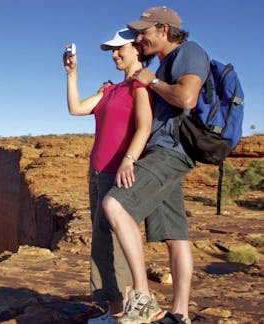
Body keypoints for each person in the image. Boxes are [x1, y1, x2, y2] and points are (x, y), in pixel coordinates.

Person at [102, 7, 210, 324]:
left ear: (163, 29)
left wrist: (152, 82)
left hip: (170, 151)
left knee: (115, 205)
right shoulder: (165, 63)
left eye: (144, 32)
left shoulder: (189, 52)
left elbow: (187, 98)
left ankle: (142, 296)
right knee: (175, 236)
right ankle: (180, 315)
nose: (139, 37)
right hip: (166, 151)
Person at [63, 28, 153, 322]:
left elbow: (144, 126)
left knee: (111, 241)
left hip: (118, 172)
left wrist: (129, 160)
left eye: (119, 49)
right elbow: (76, 109)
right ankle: (117, 311)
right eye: (112, 51)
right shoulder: (111, 89)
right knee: (102, 239)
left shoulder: (140, 86)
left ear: (137, 50)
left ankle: (124, 310)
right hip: (97, 172)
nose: (114, 55)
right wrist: (72, 73)